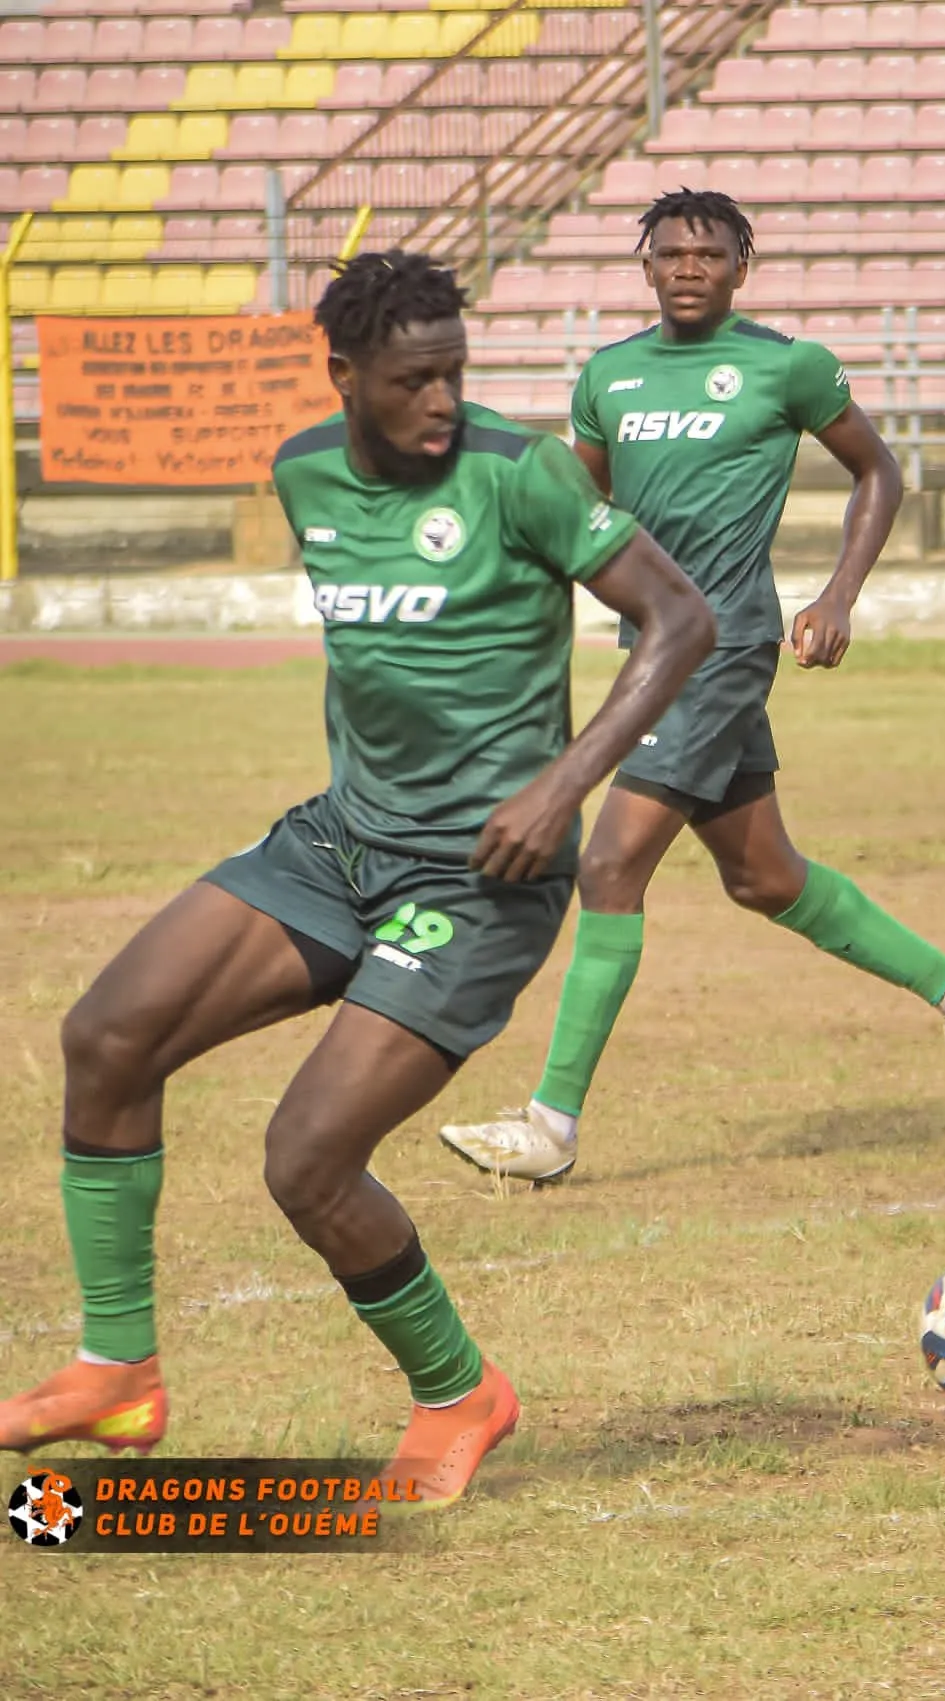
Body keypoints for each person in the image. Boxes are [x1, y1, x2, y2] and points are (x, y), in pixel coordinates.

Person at [0, 252, 717, 1500]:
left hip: (486, 876)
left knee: (307, 1158)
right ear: (344, 377)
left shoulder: (523, 474)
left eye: (455, 374)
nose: (442, 402)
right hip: (340, 843)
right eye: (412, 379)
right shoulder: (302, 470)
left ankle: (462, 1392)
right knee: (107, 1037)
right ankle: (117, 1375)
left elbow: (682, 621)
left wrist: (564, 784)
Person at [440, 189, 945, 1184]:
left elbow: (878, 472)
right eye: (669, 253)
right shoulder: (608, 376)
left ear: (743, 267)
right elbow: (573, 513)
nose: (689, 266)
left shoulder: (786, 365)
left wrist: (838, 594)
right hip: (648, 649)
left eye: (710, 253)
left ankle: (551, 1127)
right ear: (647, 268)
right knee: (763, 877)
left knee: (610, 866)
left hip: (721, 645)